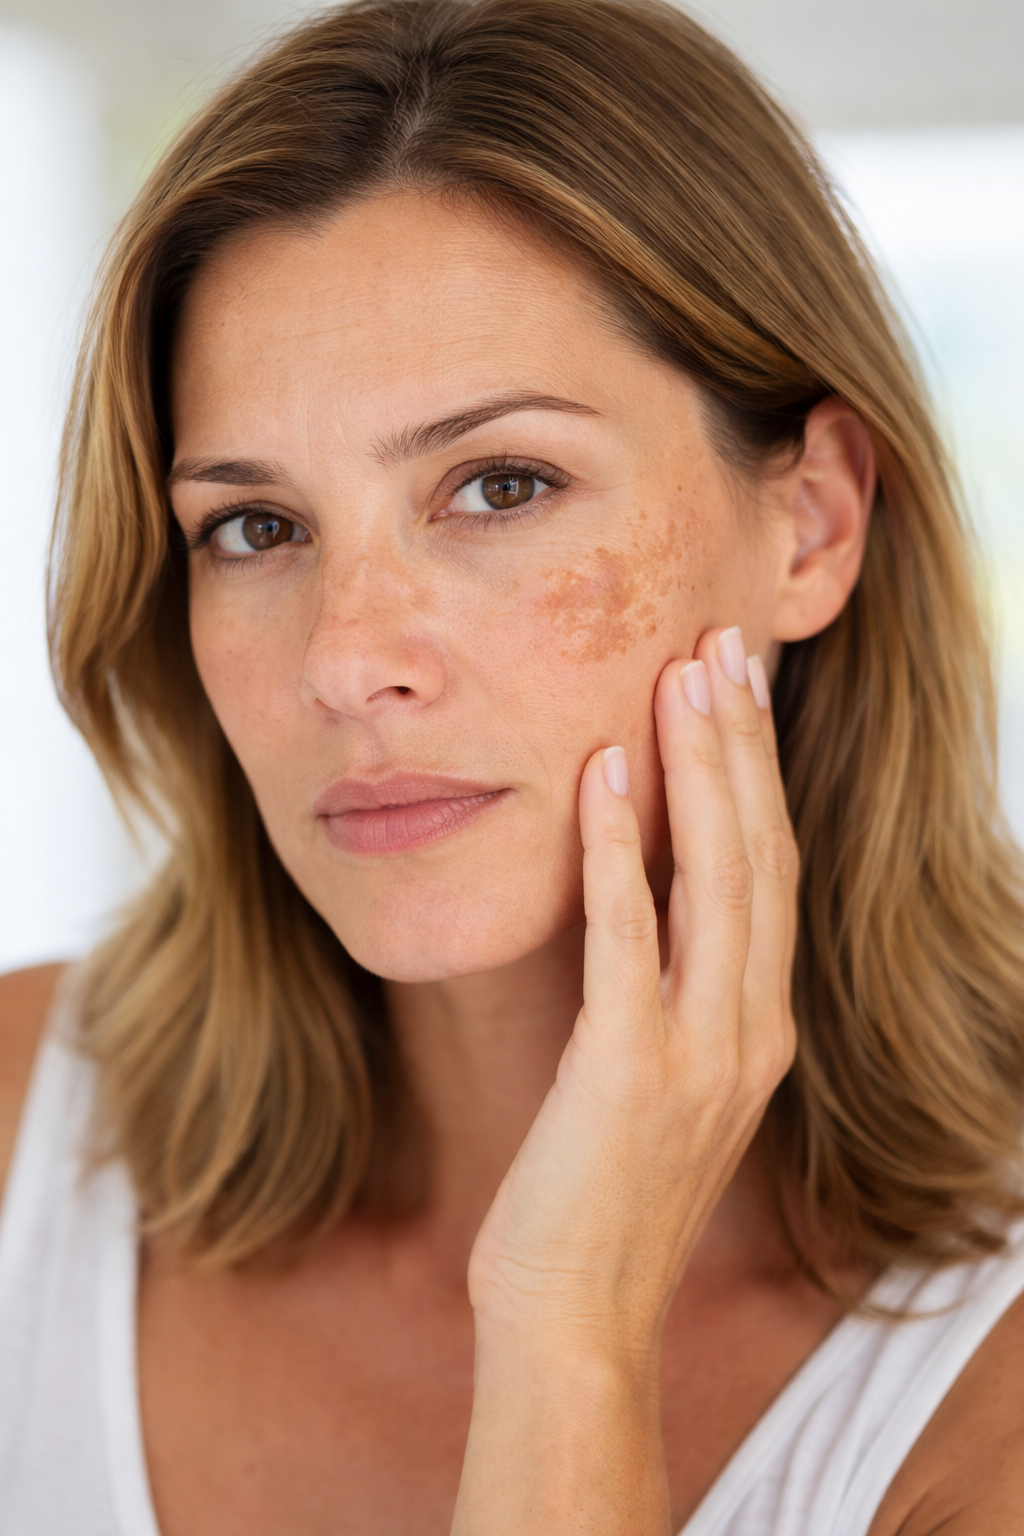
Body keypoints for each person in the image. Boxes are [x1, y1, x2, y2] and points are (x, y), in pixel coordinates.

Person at [1, 0, 1022, 1530]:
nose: (348, 655)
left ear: (810, 524)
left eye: (499, 484)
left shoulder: (989, 1369)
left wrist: (571, 1329)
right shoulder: (22, 1127)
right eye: (256, 527)